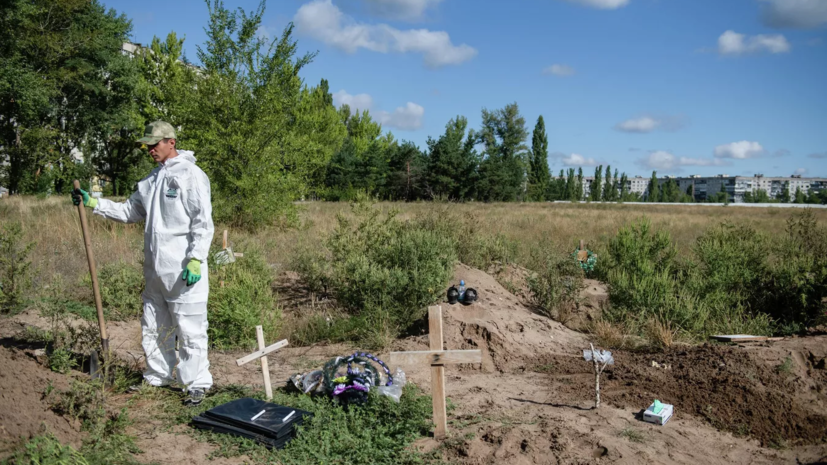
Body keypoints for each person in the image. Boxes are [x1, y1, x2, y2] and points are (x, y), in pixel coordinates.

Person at [72, 121, 215, 405]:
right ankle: (157, 375)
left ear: (171, 142)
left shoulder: (191, 175)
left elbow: (202, 222)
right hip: (155, 270)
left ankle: (196, 383)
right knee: (153, 325)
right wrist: (95, 204)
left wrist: (197, 258)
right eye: (148, 145)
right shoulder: (151, 180)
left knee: (190, 328)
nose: (150, 149)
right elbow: (129, 211)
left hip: (185, 270)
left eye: (155, 144)